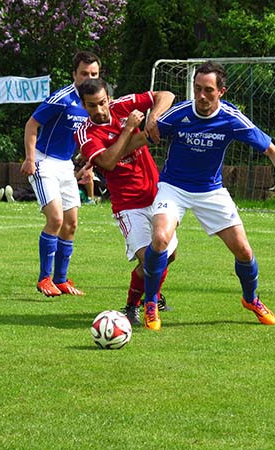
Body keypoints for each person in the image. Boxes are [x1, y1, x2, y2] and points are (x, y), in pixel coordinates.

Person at [142, 61, 275, 331]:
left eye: (208, 90)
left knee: (244, 250)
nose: (201, 96)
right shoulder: (178, 115)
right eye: (197, 89)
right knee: (160, 239)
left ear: (221, 91)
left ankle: (251, 299)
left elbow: (272, 149)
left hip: (210, 191)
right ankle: (151, 302)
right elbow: (147, 134)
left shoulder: (231, 118)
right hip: (174, 187)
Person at [74, 78, 178, 325]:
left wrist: (152, 119)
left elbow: (167, 95)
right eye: (91, 106)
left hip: (157, 194)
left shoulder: (123, 104)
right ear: (83, 105)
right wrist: (132, 131)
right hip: (128, 204)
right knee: (152, 257)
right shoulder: (84, 133)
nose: (98, 110)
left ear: (108, 98)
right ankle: (134, 306)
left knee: (168, 256)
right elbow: (109, 162)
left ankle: (151, 295)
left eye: (101, 103)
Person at [21, 51, 101, 297]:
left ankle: (61, 279)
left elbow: (91, 137)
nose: (89, 78)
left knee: (71, 224)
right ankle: (44, 279)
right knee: (55, 219)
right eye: (84, 73)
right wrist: (30, 158)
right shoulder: (61, 99)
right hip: (44, 162)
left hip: (66, 164)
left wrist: (89, 165)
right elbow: (32, 124)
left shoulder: (94, 102)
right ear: (74, 74)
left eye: (94, 74)